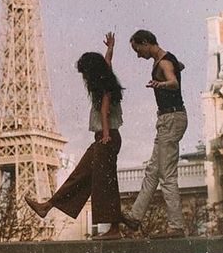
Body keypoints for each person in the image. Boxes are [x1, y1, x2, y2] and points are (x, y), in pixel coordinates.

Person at [25, 33, 124, 240]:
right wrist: (110, 49)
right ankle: (47, 206)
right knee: (81, 174)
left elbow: (105, 111)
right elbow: (107, 63)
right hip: (104, 137)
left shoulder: (104, 87)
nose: (85, 78)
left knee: (104, 182)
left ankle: (114, 229)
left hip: (107, 137)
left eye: (86, 74)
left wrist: (105, 134)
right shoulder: (106, 79)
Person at [121, 29, 188, 238]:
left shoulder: (163, 63)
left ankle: (176, 226)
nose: (138, 54)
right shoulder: (166, 59)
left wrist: (161, 83)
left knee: (166, 174)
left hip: (171, 118)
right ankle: (134, 217)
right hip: (169, 119)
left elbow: (173, 82)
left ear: (146, 42)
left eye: (137, 49)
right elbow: (177, 70)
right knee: (153, 170)